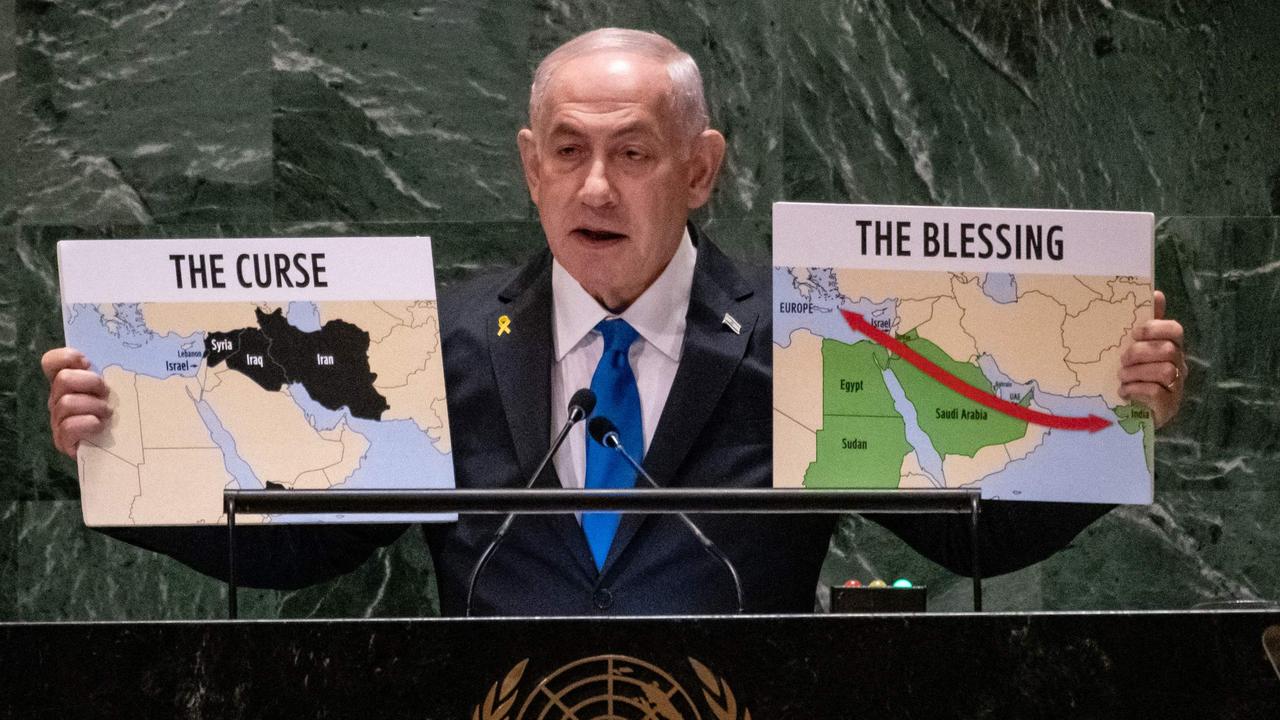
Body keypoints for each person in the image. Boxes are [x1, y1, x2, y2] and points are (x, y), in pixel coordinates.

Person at [40, 29, 1187, 615]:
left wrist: (1104, 422)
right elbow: (308, 545)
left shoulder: (806, 333)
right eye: (570, 154)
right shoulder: (437, 339)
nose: (596, 188)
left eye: (632, 154)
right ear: (529, 169)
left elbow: (961, 537)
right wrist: (125, 457)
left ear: (697, 171)